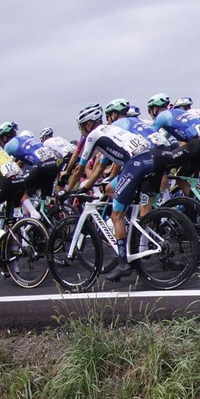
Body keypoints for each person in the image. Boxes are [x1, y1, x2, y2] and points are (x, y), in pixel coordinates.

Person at [69, 102, 163, 280]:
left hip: (135, 164)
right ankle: (133, 229)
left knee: (116, 215)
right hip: (148, 159)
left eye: (82, 126)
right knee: (112, 188)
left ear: (89, 124)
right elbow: (104, 166)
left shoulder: (93, 135)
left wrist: (71, 190)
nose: (82, 130)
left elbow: (79, 169)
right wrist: (88, 185)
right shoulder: (111, 130)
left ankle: (122, 263)